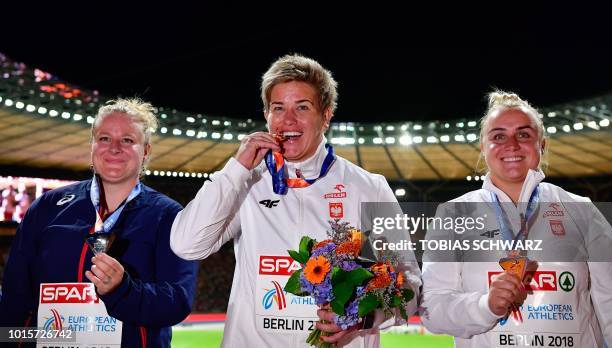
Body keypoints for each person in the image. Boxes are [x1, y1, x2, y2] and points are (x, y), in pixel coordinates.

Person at [170, 54, 421, 347]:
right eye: (278, 108)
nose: (288, 119)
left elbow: (410, 286)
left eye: (302, 107)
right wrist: (235, 170)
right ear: (266, 115)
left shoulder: (369, 188)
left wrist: (365, 318)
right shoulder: (246, 181)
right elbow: (186, 245)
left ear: (326, 115)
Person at [0, 98, 199, 348]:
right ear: (92, 145)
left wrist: (122, 290)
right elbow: (14, 300)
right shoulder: (46, 208)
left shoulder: (169, 215)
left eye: (127, 140)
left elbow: (178, 302)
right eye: (104, 138)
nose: (114, 148)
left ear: (146, 150)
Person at [420, 91, 612, 347]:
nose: (511, 145)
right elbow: (433, 309)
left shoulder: (581, 210)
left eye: (524, 134)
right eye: (498, 136)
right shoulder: (454, 214)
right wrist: (485, 306)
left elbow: (609, 299)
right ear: (483, 148)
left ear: (541, 145)